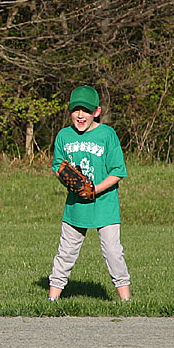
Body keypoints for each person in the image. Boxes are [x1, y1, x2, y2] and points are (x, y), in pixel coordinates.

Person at [47, 85, 131, 302]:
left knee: (113, 252)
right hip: (76, 206)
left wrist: (95, 189)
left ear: (97, 112)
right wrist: (69, 181)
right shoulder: (64, 136)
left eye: (86, 109)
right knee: (65, 253)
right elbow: (58, 165)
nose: (80, 115)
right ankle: (52, 299)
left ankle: (126, 300)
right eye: (76, 110)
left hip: (105, 205)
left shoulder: (107, 134)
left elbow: (118, 171)